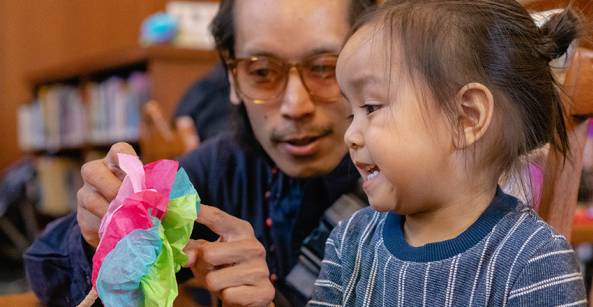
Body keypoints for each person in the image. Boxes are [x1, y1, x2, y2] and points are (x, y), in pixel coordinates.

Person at [23, 0, 377, 306]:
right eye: (263, 72)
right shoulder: (220, 167)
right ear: (233, 79)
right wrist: (95, 238)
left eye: (324, 68)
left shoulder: (406, 176)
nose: (295, 106)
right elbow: (43, 265)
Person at [308, 0, 588, 306]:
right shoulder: (350, 243)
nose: (350, 135)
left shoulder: (532, 258)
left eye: (371, 108)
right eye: (352, 114)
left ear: (465, 118)